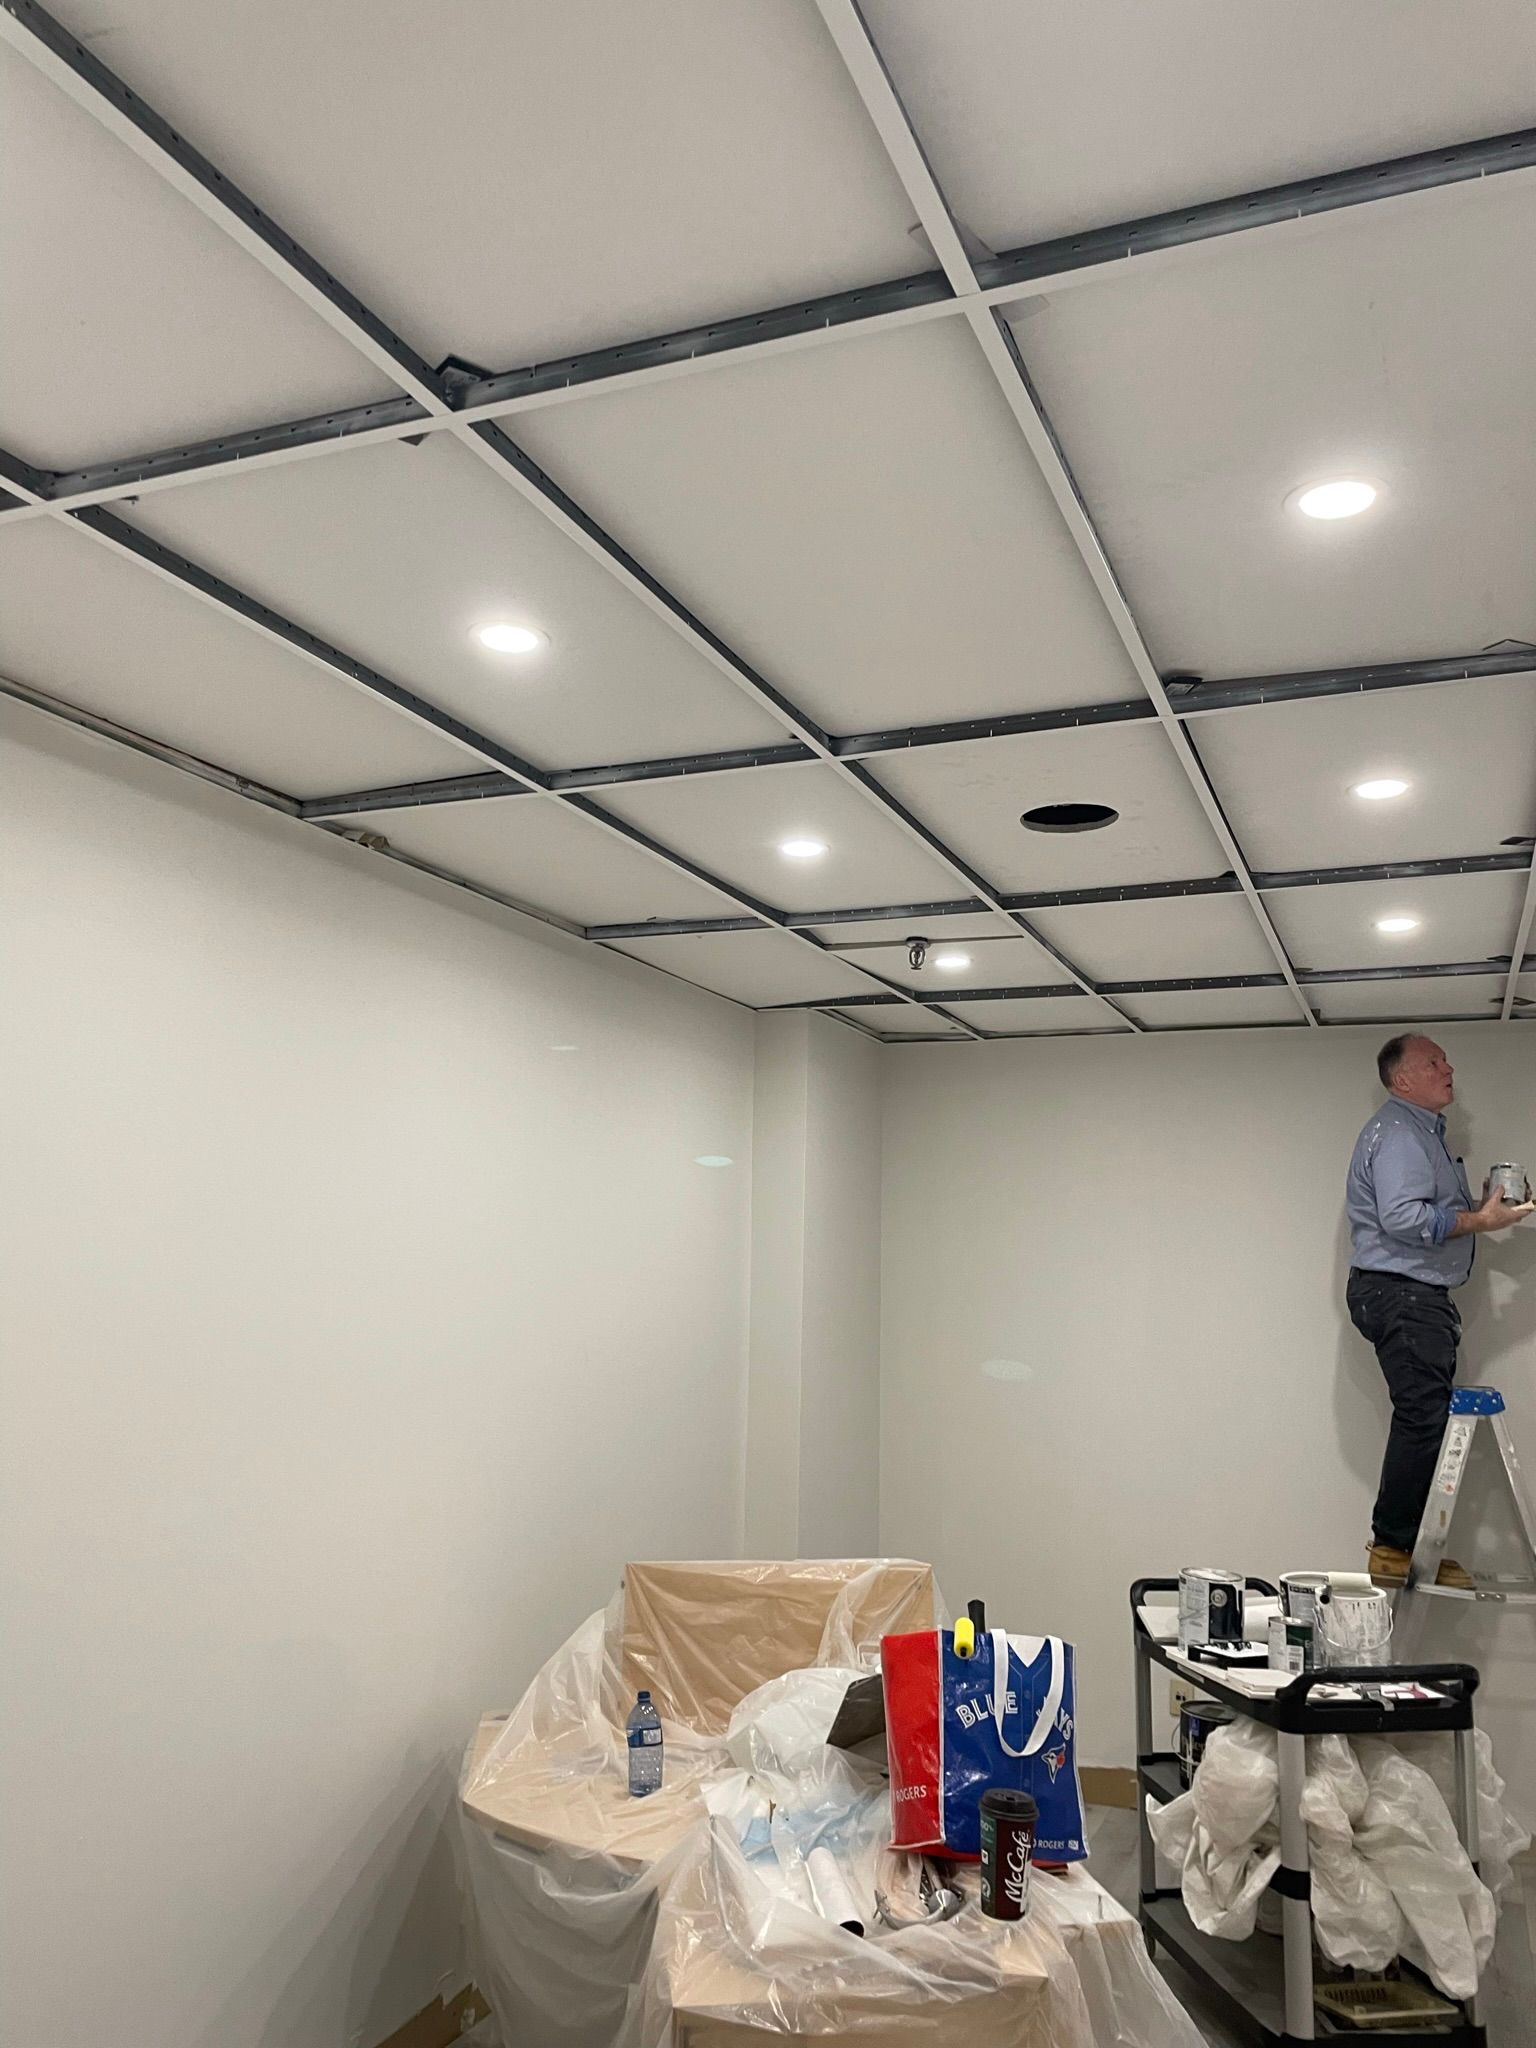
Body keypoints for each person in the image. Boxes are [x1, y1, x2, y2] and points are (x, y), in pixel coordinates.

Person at [1345, 1034, 1533, 1586]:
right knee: (1423, 1414)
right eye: (1434, 1062)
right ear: (1403, 1080)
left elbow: (1423, 1212)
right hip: (1401, 1294)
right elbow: (1403, 1218)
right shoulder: (1401, 1134)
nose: (1448, 1067)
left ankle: (1406, 1548)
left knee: (1425, 1414)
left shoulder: (1421, 1133)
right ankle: (1393, 1549)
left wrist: (1483, 1210)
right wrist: (1481, 1221)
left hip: (1409, 1294)